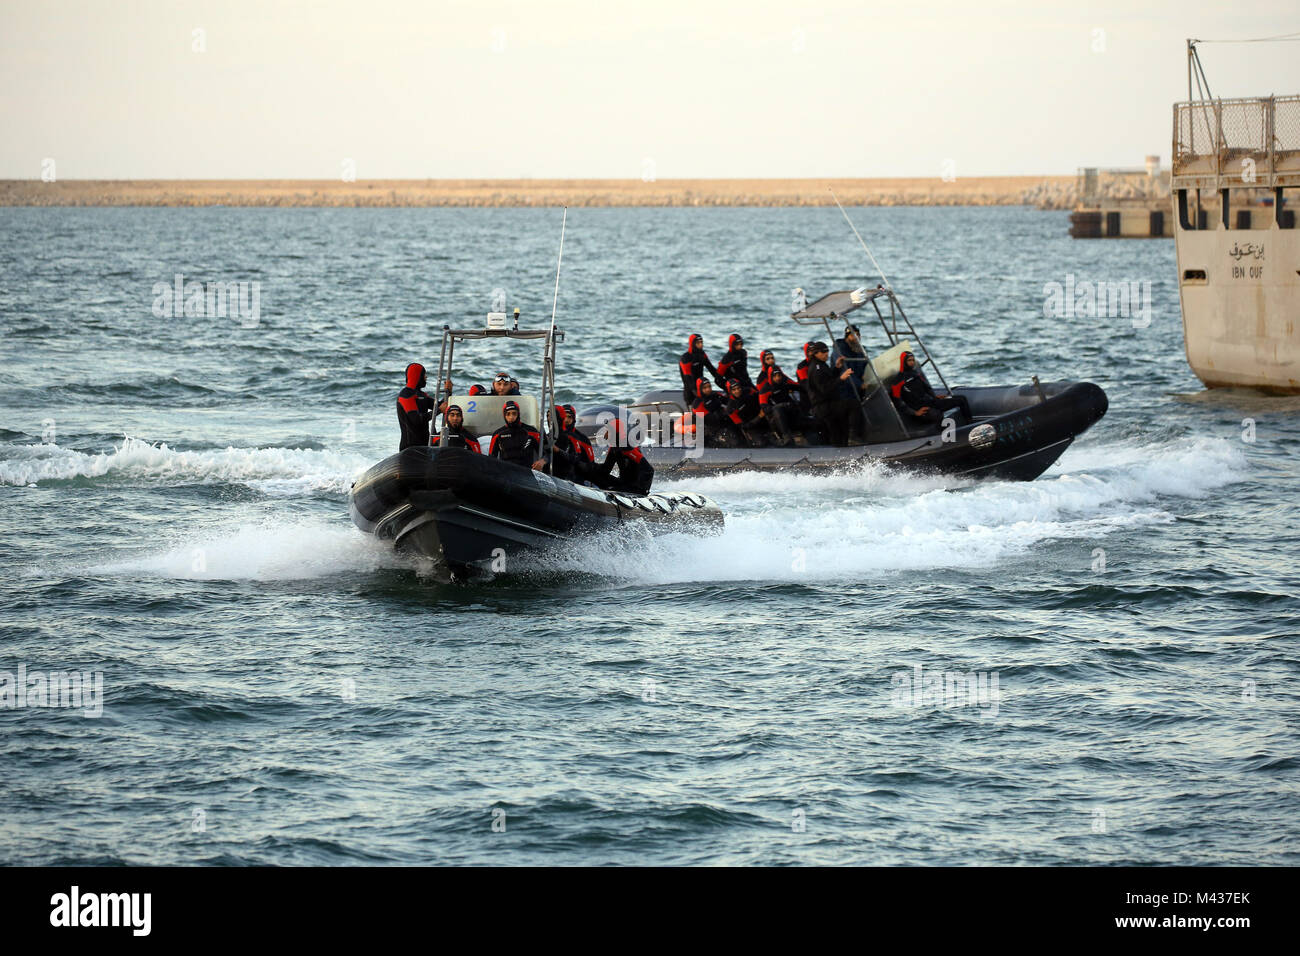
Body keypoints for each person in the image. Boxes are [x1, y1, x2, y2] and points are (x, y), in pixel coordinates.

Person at [805, 342, 866, 446]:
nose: (826, 354)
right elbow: (825, 389)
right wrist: (841, 378)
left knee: (838, 435)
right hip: (823, 406)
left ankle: (846, 442)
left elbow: (828, 379)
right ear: (816, 353)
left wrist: (837, 368)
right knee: (853, 404)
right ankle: (853, 437)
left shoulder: (820, 364)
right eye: (823, 352)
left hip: (829, 404)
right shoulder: (816, 368)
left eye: (827, 351)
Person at [890, 351, 971, 426]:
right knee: (937, 414)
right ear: (903, 362)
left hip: (929, 403)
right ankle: (945, 437)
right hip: (919, 411)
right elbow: (899, 403)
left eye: (913, 360)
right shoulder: (898, 380)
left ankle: (969, 425)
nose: (912, 362)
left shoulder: (916, 374)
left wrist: (934, 397)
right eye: (909, 360)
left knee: (961, 399)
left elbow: (927, 388)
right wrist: (915, 413)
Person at [594, 419, 654, 495]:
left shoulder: (627, 447)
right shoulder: (613, 448)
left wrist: (641, 491)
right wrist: (591, 467)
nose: (606, 434)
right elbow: (605, 470)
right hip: (623, 484)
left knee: (612, 488)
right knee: (597, 475)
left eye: (608, 431)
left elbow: (649, 470)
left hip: (634, 488)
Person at [757, 367, 811, 446]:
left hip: (791, 412)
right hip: (776, 420)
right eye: (775, 376)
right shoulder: (765, 390)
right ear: (770, 377)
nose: (778, 378)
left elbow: (800, 388)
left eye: (779, 375)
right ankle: (786, 436)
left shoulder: (785, 381)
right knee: (777, 409)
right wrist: (781, 405)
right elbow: (765, 408)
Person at [488, 400, 543, 469]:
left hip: (527, 473)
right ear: (504, 415)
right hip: (506, 474)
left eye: (514, 413)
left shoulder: (532, 431)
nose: (511, 417)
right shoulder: (497, 434)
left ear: (518, 414)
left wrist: (542, 462)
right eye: (508, 414)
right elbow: (491, 459)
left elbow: (546, 454)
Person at [550, 404, 596, 482]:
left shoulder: (582, 439)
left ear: (574, 419)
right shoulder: (552, 435)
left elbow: (591, 464)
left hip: (577, 477)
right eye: (565, 416)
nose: (566, 420)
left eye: (569, 417)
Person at [691, 378, 741, 446]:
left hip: (722, 424)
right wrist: (725, 413)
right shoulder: (697, 404)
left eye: (709, 386)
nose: (708, 389)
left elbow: (729, 401)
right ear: (700, 389)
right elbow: (711, 419)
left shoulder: (715, 394)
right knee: (734, 443)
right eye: (705, 388)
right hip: (709, 431)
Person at [396, 362, 435, 450]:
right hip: (409, 447)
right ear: (418, 376)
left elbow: (439, 405)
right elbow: (416, 420)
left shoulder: (423, 395)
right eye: (424, 374)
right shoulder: (406, 395)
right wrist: (439, 410)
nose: (426, 377)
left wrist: (448, 391)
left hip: (425, 445)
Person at [678, 334, 723, 408]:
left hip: (703, 389)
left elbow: (711, 369)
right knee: (698, 418)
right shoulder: (686, 358)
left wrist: (723, 381)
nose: (701, 345)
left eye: (701, 342)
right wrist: (698, 394)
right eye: (698, 343)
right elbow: (688, 379)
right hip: (691, 392)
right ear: (692, 344)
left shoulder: (702, 354)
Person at [724, 378, 767, 446]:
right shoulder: (730, 408)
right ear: (730, 391)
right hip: (749, 425)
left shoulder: (749, 390)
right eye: (734, 390)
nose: (737, 391)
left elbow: (761, 397)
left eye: (738, 388)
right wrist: (759, 416)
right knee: (760, 443)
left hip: (759, 416)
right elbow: (743, 426)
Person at [833, 325, 871, 396]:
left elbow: (866, 365)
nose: (856, 337)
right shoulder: (840, 350)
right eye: (852, 335)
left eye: (858, 335)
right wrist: (860, 384)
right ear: (847, 337)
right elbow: (844, 371)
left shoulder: (860, 350)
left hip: (858, 386)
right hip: (844, 389)